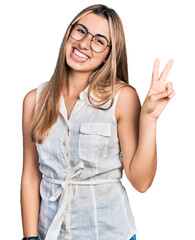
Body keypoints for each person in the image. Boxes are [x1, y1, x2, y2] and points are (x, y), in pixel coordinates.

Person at [20, 4, 175, 240]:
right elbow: (31, 175)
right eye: (81, 31)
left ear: (109, 55)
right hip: (48, 233)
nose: (84, 44)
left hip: (109, 232)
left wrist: (149, 118)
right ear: (68, 33)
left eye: (99, 40)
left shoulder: (122, 98)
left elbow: (141, 182)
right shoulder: (34, 100)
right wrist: (30, 237)